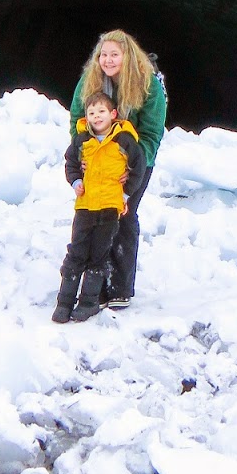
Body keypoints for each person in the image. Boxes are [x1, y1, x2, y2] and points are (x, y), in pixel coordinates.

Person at [68, 30, 167, 309]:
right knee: (94, 217)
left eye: (114, 54)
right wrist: (81, 153)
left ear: (128, 56)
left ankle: (119, 287)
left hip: (134, 164)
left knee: (123, 215)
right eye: (103, 55)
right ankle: (93, 287)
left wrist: (132, 167)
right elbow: (78, 118)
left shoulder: (148, 86)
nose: (108, 60)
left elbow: (151, 133)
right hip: (98, 160)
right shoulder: (89, 82)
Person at [53, 91, 146, 323]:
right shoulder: (82, 140)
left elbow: (140, 165)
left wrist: (126, 193)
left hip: (109, 208)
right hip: (85, 206)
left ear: (113, 114)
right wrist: (75, 181)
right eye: (91, 113)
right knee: (76, 252)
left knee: (99, 254)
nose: (96, 117)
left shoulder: (124, 140)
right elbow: (71, 162)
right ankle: (64, 303)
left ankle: (88, 302)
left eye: (101, 112)